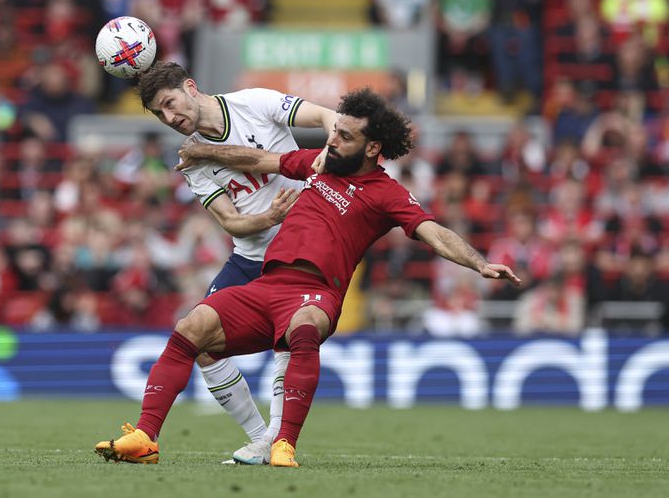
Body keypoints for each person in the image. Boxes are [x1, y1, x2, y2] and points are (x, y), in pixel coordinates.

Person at [94, 88, 521, 467]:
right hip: (266, 285)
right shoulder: (320, 166)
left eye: (345, 136)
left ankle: (284, 445)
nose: (332, 139)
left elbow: (434, 232)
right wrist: (207, 152)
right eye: (334, 131)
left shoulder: (388, 194)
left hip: (315, 293)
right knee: (191, 327)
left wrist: (478, 262)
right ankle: (146, 437)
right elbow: (261, 159)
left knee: (302, 330)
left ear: (373, 148)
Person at [132, 61, 337, 465]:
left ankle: (279, 443)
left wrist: (330, 150)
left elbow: (326, 116)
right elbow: (231, 222)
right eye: (160, 114)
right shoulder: (193, 160)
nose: (171, 118)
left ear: (191, 87)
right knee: (199, 339)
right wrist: (269, 218)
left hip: (301, 251)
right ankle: (261, 438)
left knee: (289, 342)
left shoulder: (254, 103)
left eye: (171, 104)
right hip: (250, 256)